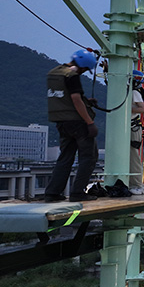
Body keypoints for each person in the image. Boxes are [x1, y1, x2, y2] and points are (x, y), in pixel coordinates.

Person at [44, 49, 99, 202]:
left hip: (61, 122)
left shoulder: (54, 73)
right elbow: (75, 99)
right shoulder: (72, 76)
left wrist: (86, 101)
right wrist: (90, 123)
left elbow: (64, 97)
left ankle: (52, 193)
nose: (84, 72)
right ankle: (78, 192)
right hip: (78, 123)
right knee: (88, 157)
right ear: (82, 66)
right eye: (85, 69)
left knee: (65, 157)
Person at [129, 69, 144, 195]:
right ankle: (133, 183)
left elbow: (143, 109)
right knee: (130, 156)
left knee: (133, 157)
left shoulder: (134, 92)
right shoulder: (128, 91)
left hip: (133, 127)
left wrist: (127, 108)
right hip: (131, 127)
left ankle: (137, 184)